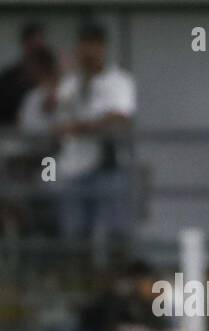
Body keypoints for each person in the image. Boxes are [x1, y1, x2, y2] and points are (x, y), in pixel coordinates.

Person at [52, 21, 137, 243]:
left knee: (114, 231)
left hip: (109, 165)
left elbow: (121, 117)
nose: (88, 51)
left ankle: (115, 276)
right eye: (83, 45)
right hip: (73, 166)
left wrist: (84, 127)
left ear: (103, 47)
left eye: (94, 45)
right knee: (74, 232)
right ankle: (79, 276)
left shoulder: (119, 80)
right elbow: (58, 119)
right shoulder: (69, 83)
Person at [0, 22, 47, 127]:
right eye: (32, 47)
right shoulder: (8, 78)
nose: (35, 53)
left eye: (39, 49)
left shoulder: (49, 78)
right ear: (24, 45)